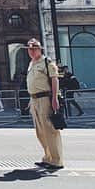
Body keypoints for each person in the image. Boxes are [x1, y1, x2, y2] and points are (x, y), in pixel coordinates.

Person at [25, 38, 63, 170]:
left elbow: (54, 80)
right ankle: (48, 157)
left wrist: (54, 98)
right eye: (29, 49)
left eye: (34, 48)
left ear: (39, 49)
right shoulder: (32, 63)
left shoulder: (47, 62)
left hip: (45, 98)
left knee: (50, 129)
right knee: (40, 131)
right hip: (34, 99)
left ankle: (56, 160)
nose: (31, 51)